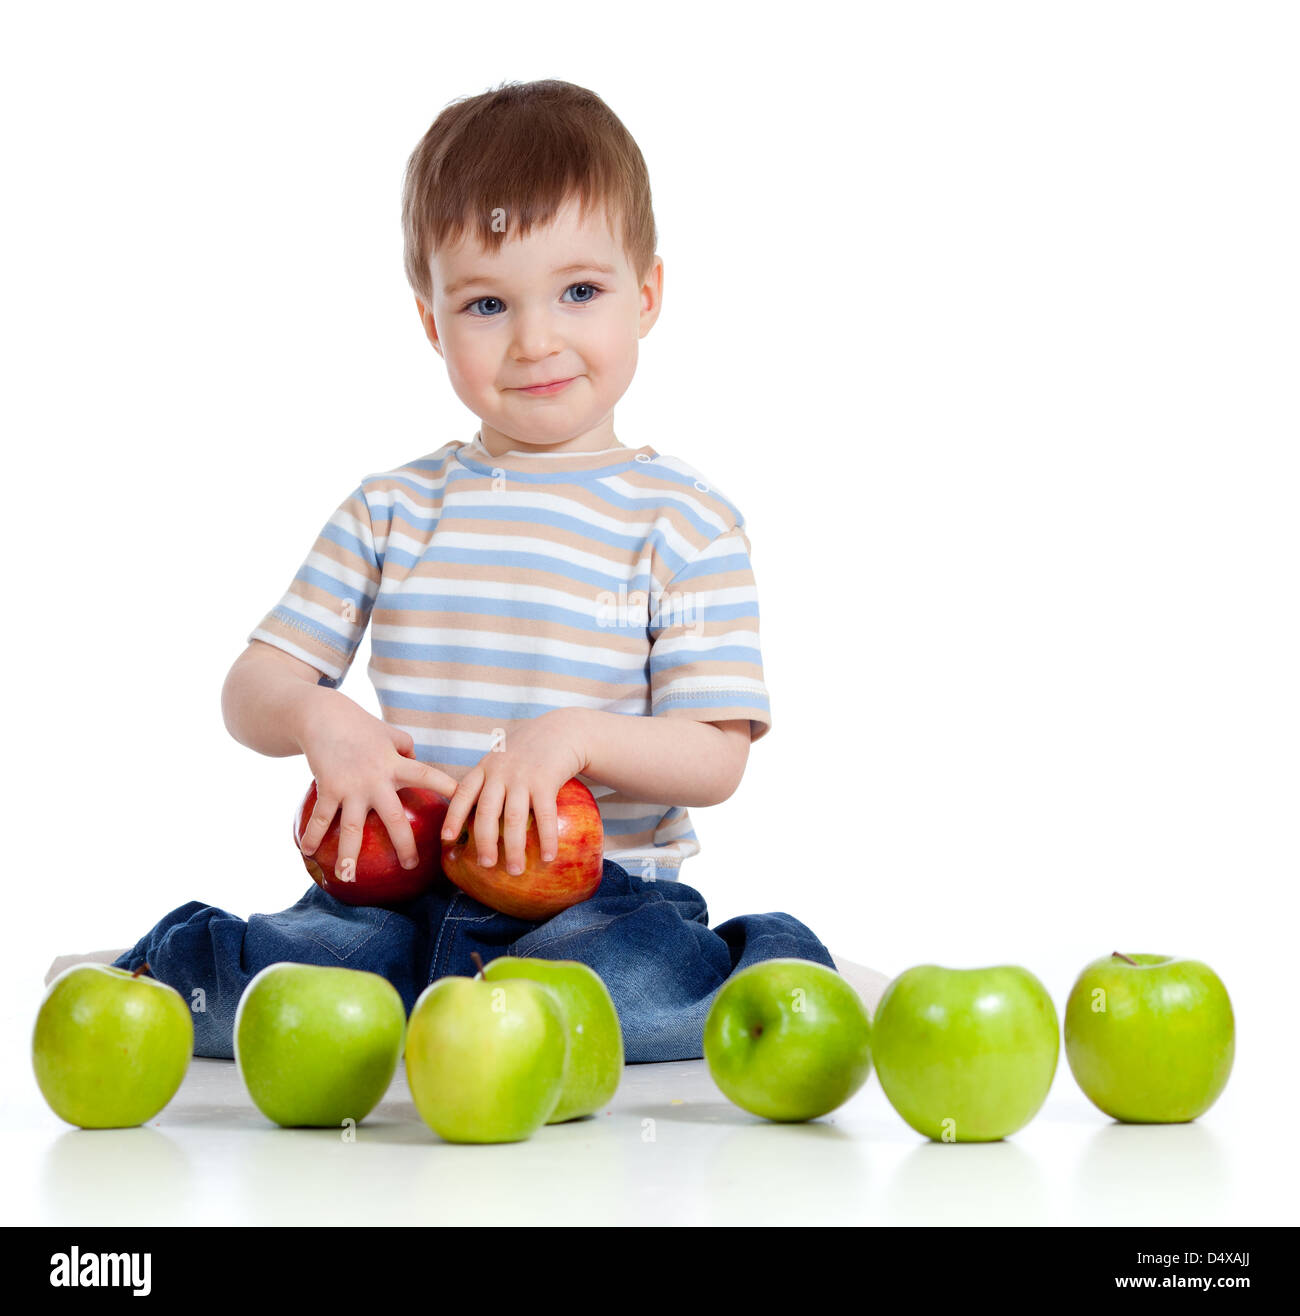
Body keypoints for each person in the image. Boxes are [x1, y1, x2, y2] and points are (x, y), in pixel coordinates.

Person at [96, 79, 886, 1061]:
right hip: (404, 882)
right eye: (485, 302)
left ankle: (785, 973)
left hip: (598, 900)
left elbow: (715, 754)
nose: (536, 338)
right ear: (431, 321)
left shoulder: (683, 520)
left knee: (619, 995)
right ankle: (146, 980)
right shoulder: (392, 509)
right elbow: (250, 687)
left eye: (580, 292)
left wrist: (577, 739)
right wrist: (320, 718)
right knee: (298, 974)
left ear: (646, 294)